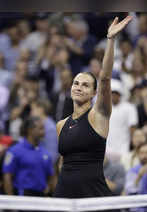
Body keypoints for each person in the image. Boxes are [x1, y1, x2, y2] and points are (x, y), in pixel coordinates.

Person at [53, 16, 132, 198]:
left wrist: (110, 40)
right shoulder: (61, 125)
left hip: (92, 196)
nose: (79, 87)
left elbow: (104, 78)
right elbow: (62, 163)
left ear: (94, 93)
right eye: (76, 83)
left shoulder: (99, 115)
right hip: (64, 195)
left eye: (85, 85)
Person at [3, 116, 54, 197]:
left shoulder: (46, 154)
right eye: (40, 129)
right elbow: (7, 177)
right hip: (23, 197)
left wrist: (48, 192)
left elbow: (51, 176)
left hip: (41, 198)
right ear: (30, 130)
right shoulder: (14, 151)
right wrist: (11, 205)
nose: (43, 132)